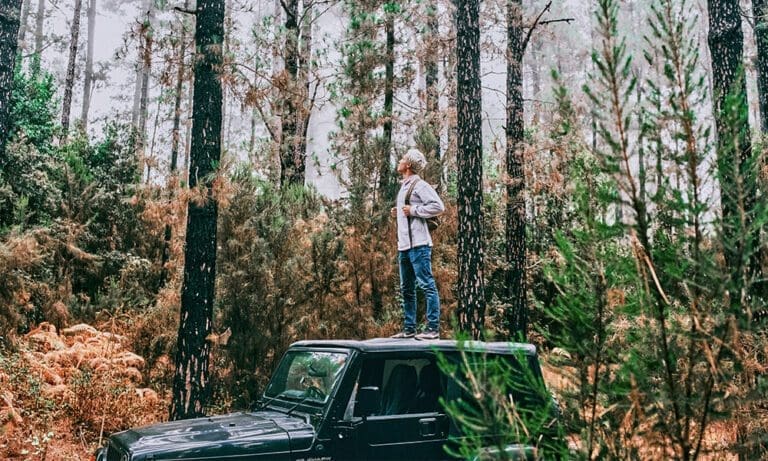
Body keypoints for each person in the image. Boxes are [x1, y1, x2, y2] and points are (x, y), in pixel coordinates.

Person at [390, 149, 445, 340]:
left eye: (403, 159)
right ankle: (409, 328)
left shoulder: (420, 185)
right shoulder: (404, 186)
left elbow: (438, 206)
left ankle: (432, 329)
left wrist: (413, 210)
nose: (400, 161)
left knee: (427, 285)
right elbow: (406, 210)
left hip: (419, 245)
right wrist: (398, 211)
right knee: (407, 289)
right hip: (404, 246)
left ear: (409, 165)